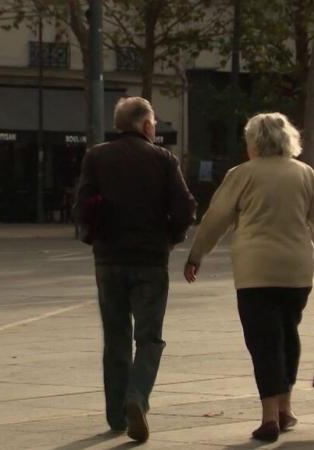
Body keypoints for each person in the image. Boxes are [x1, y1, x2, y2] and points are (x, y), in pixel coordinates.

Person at [184, 112, 314, 443]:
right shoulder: (306, 175)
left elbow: (216, 219)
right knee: (288, 334)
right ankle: (286, 408)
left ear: (254, 142)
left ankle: (269, 416)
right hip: (297, 271)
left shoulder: (240, 175)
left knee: (263, 341)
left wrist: (196, 255)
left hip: (255, 271)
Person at [76, 97, 196, 442]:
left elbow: (81, 206)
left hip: (109, 259)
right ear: (145, 125)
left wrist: (95, 239)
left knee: (115, 338)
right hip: (149, 259)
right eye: (154, 123)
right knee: (149, 337)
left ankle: (117, 415)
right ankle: (137, 397)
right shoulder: (162, 159)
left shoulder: (96, 157)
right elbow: (185, 206)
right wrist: (172, 238)